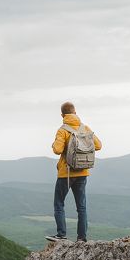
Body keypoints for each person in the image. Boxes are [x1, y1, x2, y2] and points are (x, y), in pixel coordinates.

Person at [46, 101, 102, 243]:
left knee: (59, 203)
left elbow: (57, 150)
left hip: (67, 173)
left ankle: (61, 235)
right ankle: (82, 238)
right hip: (83, 172)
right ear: (75, 113)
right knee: (81, 207)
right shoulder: (85, 128)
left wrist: (54, 144)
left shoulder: (63, 130)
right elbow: (98, 145)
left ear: (62, 115)